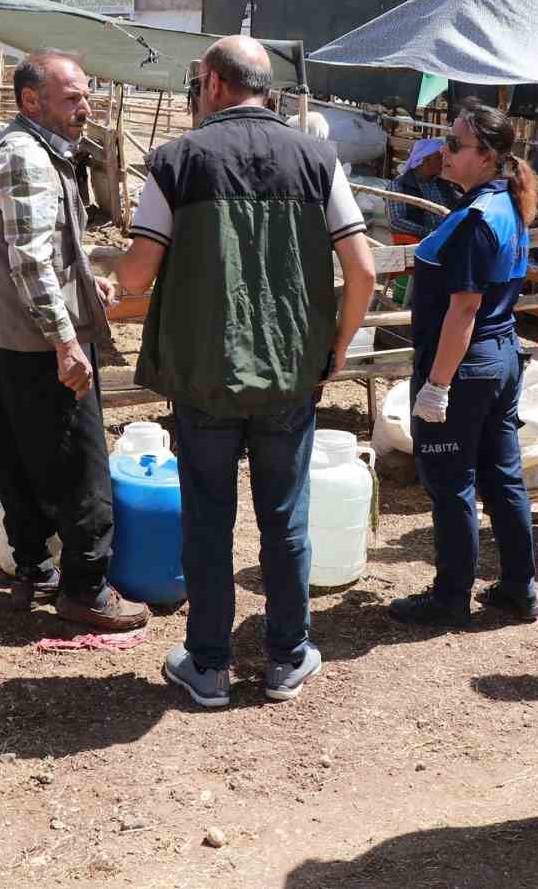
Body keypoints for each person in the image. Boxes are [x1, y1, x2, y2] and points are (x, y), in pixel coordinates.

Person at [114, 35, 376, 708]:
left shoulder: (176, 160)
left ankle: (208, 666)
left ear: (211, 83)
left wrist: (121, 273)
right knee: (285, 518)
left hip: (206, 374)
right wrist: (339, 346)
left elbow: (138, 274)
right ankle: (288, 657)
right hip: (291, 373)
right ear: (267, 87)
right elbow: (364, 269)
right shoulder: (319, 158)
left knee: (208, 519)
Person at [0, 48, 147, 632]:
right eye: (72, 98)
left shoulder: (28, 147)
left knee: (18, 450)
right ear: (31, 100)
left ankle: (34, 567)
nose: (84, 108)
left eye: (86, 96)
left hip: (16, 334)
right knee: (80, 460)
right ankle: (86, 588)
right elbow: (32, 261)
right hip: (44, 339)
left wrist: (86, 282)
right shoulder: (27, 158)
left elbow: (42, 247)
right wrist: (67, 341)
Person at [387, 100, 538, 628]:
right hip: (499, 358)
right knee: (502, 476)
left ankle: (450, 596)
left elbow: (465, 308)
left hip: (466, 364)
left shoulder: (478, 220)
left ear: (489, 156)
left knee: (451, 481)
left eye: (455, 145)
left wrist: (436, 385)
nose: (443, 151)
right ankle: (519, 588)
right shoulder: (505, 206)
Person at [387, 136, 462, 242]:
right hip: (417, 244)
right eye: (439, 158)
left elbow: (459, 206)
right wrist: (431, 233)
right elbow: (396, 222)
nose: (443, 162)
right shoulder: (399, 185)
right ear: (426, 160)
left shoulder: (443, 184)